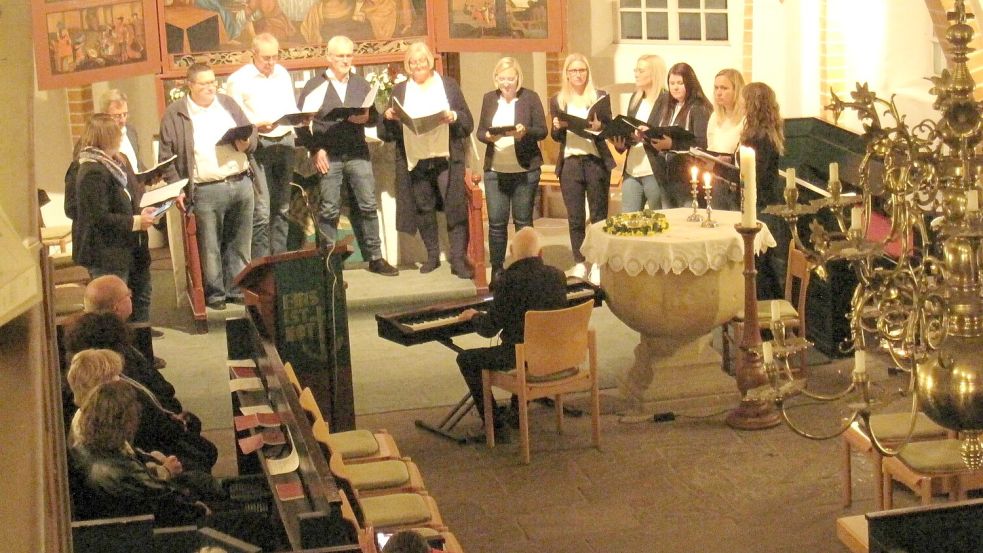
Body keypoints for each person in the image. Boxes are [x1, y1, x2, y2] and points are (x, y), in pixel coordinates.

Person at [69, 381, 283, 549]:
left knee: (207, 485)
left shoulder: (91, 445)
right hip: (167, 537)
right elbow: (164, 502)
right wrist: (199, 508)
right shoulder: (108, 472)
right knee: (256, 525)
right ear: (124, 422)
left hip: (155, 521)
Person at [296, 35, 399, 276]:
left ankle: (375, 257)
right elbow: (300, 125)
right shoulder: (314, 86)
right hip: (328, 154)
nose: (345, 60)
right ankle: (329, 261)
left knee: (368, 205)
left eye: (349, 55)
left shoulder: (360, 84)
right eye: (340, 56)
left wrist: (367, 118)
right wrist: (315, 148)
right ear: (329, 57)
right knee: (330, 208)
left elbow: (374, 115)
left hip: (357, 153)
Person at [159, 62, 258, 311]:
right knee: (210, 245)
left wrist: (247, 142)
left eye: (213, 81)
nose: (210, 87)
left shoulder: (228, 104)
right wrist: (176, 188)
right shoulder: (177, 113)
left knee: (240, 241)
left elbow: (251, 133)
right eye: (204, 83)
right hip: (206, 188)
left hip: (240, 180)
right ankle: (215, 293)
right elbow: (166, 156)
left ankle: (237, 287)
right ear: (189, 85)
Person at [455, 228, 567, 434]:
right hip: (554, 354)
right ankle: (516, 413)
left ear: (512, 252)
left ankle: (494, 424)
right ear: (540, 253)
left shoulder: (508, 281)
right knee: (525, 343)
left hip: (519, 356)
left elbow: (489, 329)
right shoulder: (558, 276)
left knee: (466, 359)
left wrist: (473, 316)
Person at [379, 41, 475, 278]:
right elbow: (385, 134)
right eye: (413, 62)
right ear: (408, 66)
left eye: (422, 61)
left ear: (430, 62)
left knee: (455, 206)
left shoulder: (447, 85)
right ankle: (432, 255)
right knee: (423, 207)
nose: (418, 65)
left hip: (445, 156)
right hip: (415, 159)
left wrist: (453, 116)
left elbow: (467, 121)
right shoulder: (400, 90)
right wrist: (389, 116)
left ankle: (458, 259)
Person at [63, 344, 217, 472]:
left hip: (147, 458)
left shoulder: (90, 413)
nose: (120, 379)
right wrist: (163, 469)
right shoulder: (110, 417)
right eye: (114, 376)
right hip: (152, 468)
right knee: (201, 461)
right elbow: (128, 467)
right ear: (100, 386)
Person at [71, 114, 159, 320]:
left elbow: (124, 200)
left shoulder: (113, 163)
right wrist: (136, 221)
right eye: (116, 133)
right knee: (114, 310)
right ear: (105, 137)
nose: (121, 136)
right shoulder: (92, 170)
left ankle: (141, 346)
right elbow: (98, 218)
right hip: (108, 254)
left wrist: (140, 212)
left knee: (139, 299)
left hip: (128, 248)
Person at [226, 33, 300, 259]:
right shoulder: (238, 79)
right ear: (253, 55)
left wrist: (298, 119)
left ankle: (281, 259)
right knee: (262, 209)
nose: (271, 63)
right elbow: (234, 117)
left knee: (283, 207)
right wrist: (256, 126)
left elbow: (290, 106)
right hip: (258, 144)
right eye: (266, 58)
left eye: (275, 57)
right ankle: (262, 263)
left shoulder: (282, 74)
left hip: (285, 140)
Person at [475, 57, 548, 283]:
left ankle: (525, 270)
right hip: (496, 170)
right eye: (502, 78)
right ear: (496, 79)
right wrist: (488, 136)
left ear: (518, 78)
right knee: (496, 223)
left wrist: (524, 132)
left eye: (511, 78)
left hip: (524, 170)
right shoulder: (489, 99)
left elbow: (542, 131)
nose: (507, 83)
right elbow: (480, 132)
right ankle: (497, 270)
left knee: (523, 222)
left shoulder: (530, 97)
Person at [549, 53, 614, 281]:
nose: (578, 75)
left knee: (598, 216)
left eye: (581, 70)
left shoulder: (599, 96)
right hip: (571, 162)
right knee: (575, 217)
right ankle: (579, 262)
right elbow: (556, 136)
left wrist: (598, 126)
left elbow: (608, 128)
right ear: (566, 74)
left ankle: (597, 263)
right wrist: (557, 126)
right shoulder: (559, 99)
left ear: (588, 72)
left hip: (594, 161)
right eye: (573, 71)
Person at [738, 82, 789, 301]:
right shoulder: (761, 134)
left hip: (762, 207)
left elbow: (753, 177)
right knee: (764, 267)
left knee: (763, 267)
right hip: (762, 204)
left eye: (743, 100)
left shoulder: (759, 138)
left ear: (752, 104)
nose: (739, 104)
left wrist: (721, 169)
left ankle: (765, 316)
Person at [610, 54, 670, 213]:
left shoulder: (666, 100)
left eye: (641, 70)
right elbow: (629, 130)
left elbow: (666, 132)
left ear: (654, 73)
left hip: (653, 169)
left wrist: (646, 135)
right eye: (635, 70)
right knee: (628, 219)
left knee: (658, 217)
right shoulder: (635, 99)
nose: (636, 73)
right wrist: (621, 144)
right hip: (632, 168)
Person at [651, 62, 712, 208]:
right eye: (672, 83)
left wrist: (672, 144)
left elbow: (701, 144)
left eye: (680, 83)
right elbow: (653, 127)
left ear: (690, 83)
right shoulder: (665, 103)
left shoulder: (699, 107)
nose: (675, 87)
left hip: (687, 178)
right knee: (670, 220)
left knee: (686, 219)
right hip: (665, 175)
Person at [706, 68, 746, 209]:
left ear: (737, 90)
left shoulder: (745, 119)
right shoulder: (714, 117)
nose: (719, 92)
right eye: (716, 88)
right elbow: (711, 148)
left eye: (724, 88)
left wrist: (730, 159)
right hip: (717, 179)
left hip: (736, 182)